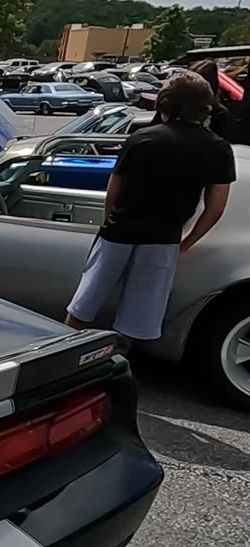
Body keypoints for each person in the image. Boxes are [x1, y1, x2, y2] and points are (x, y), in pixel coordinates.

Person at [65, 72, 234, 351]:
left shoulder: (142, 138)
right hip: (164, 238)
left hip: (119, 232)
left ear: (166, 104)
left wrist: (111, 218)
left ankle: (66, 355)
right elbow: (216, 207)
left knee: (84, 304)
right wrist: (186, 241)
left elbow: (114, 191)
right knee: (136, 317)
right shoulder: (218, 148)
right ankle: (116, 363)